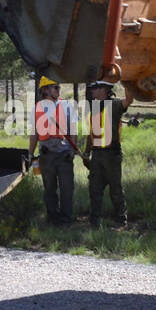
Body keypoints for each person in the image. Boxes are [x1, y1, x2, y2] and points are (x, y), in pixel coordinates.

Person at [27, 76, 84, 225]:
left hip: (64, 154)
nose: (59, 90)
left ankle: (66, 219)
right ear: (46, 90)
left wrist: (72, 150)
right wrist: (30, 154)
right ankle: (52, 218)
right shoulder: (37, 108)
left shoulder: (67, 106)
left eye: (59, 87)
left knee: (67, 189)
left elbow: (73, 130)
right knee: (49, 189)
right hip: (46, 155)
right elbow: (34, 133)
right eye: (55, 87)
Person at [85, 80, 128, 226]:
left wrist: (129, 81)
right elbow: (90, 133)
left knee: (115, 189)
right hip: (96, 155)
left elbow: (129, 100)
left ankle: (121, 221)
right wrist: (87, 153)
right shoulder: (94, 107)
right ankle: (94, 221)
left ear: (103, 90)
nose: (91, 91)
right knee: (94, 189)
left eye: (94, 88)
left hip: (112, 155)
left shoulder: (115, 105)